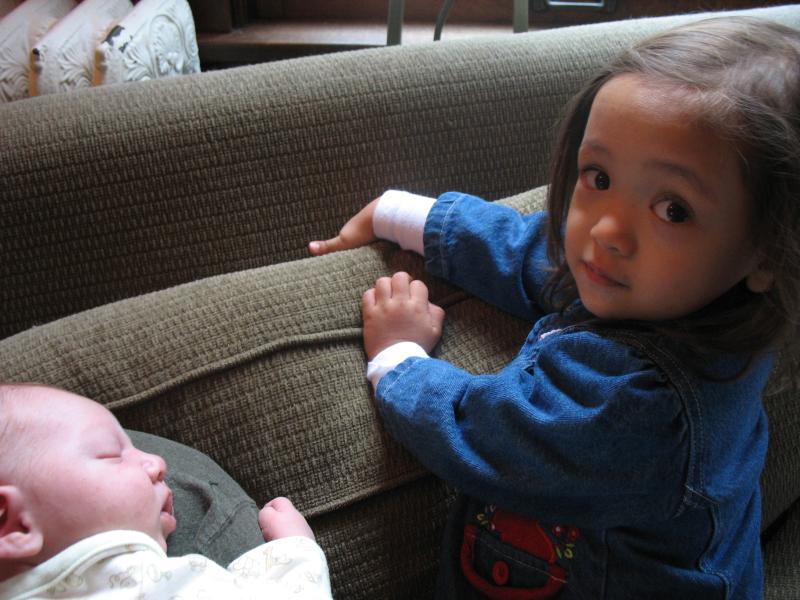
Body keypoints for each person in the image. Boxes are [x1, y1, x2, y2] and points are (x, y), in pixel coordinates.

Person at [308, 16, 800, 600]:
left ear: (766, 252)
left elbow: (483, 434)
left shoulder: (646, 407)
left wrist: (398, 355)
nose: (607, 231)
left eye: (673, 210)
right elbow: (534, 250)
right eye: (599, 177)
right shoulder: (659, 283)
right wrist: (405, 214)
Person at [0, 383, 333, 599]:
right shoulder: (143, 582)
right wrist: (297, 551)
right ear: (12, 523)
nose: (158, 463)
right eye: (112, 455)